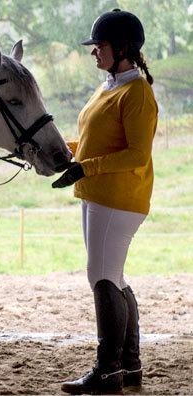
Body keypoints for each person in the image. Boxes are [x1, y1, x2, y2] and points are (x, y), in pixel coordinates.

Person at [51, 8, 158, 395]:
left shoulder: (137, 93)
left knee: (100, 276)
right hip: (99, 193)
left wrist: (86, 167)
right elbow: (95, 140)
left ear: (123, 48)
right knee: (113, 275)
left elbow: (136, 155)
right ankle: (128, 367)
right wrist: (66, 151)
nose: (94, 51)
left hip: (118, 198)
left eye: (101, 45)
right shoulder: (110, 86)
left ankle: (107, 371)